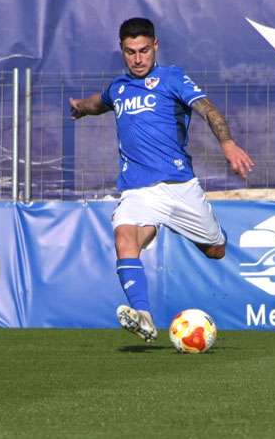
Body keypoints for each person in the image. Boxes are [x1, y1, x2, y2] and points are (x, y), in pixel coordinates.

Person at [69, 17, 254, 342]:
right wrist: (81, 108)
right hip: (138, 189)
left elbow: (208, 110)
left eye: (143, 50)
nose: (138, 59)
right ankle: (143, 316)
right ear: (122, 51)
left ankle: (187, 228)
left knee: (216, 251)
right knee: (125, 239)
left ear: (155, 46)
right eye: (130, 52)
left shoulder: (172, 78)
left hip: (179, 187)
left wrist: (227, 143)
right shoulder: (119, 88)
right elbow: (99, 103)